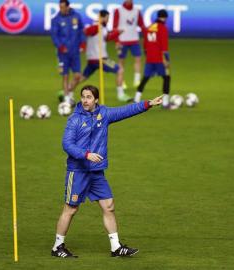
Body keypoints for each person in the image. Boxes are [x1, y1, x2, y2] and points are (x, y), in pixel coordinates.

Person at [51, 84, 163, 258]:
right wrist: (86, 155)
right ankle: (57, 247)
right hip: (78, 171)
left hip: (96, 172)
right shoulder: (74, 119)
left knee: (108, 206)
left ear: (96, 99)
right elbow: (67, 144)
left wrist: (148, 104)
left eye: (89, 97)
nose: (85, 100)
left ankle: (116, 247)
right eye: (83, 97)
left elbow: (126, 110)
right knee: (70, 209)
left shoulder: (105, 114)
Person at [78, 10, 132, 102]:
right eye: (107, 18)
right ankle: (121, 94)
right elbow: (85, 32)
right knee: (120, 70)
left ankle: (67, 91)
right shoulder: (96, 27)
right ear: (103, 17)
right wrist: (82, 46)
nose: (108, 20)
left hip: (92, 59)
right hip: (100, 58)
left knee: (83, 77)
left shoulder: (102, 27)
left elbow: (106, 38)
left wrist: (117, 33)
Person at [51, 0, 86, 105]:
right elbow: (54, 35)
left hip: (75, 52)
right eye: (60, 7)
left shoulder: (76, 16)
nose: (61, 9)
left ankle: (69, 93)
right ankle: (67, 99)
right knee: (65, 75)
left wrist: (83, 43)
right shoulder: (56, 19)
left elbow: (81, 30)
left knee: (77, 76)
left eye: (62, 7)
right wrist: (60, 46)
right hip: (63, 53)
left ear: (68, 7)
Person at [134, 9, 170, 108]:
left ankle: (136, 98)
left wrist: (148, 56)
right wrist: (166, 60)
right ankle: (166, 103)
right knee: (166, 77)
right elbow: (164, 47)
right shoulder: (162, 28)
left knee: (145, 78)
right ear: (165, 17)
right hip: (159, 59)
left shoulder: (149, 27)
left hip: (150, 58)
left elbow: (145, 45)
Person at [113, 0, 145, 88]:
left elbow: (141, 24)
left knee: (138, 59)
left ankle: (137, 80)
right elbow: (114, 27)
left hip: (134, 39)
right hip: (122, 40)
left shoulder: (136, 11)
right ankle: (121, 81)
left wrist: (146, 36)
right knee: (121, 61)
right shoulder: (118, 11)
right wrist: (116, 41)